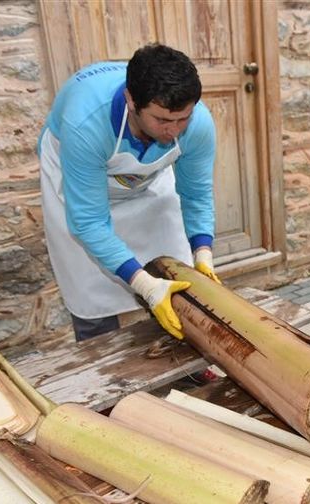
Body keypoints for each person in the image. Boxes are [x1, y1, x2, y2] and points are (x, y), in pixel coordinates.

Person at [38, 43, 221, 342]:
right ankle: (103, 371)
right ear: (131, 101)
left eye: (182, 119)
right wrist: (146, 287)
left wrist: (203, 253)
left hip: (144, 179)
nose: (174, 131)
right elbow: (89, 222)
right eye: (162, 120)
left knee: (177, 276)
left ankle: (182, 366)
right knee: (91, 291)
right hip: (79, 181)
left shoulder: (197, 124)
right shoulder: (85, 124)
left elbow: (196, 194)